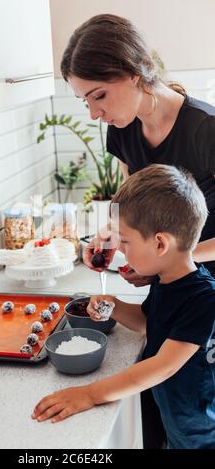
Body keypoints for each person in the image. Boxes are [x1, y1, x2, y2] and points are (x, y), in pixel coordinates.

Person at [32, 164, 215, 449]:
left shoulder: (204, 299)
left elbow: (163, 366)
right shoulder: (168, 278)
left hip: (201, 435)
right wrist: (114, 305)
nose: (119, 249)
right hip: (178, 426)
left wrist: (90, 394)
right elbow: (149, 323)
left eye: (126, 241)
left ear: (160, 244)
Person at [59, 14, 215, 284]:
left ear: (134, 73)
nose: (94, 113)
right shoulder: (122, 130)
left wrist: (173, 261)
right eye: (86, 101)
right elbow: (135, 210)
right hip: (173, 283)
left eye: (99, 95)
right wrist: (112, 235)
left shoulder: (206, 128)